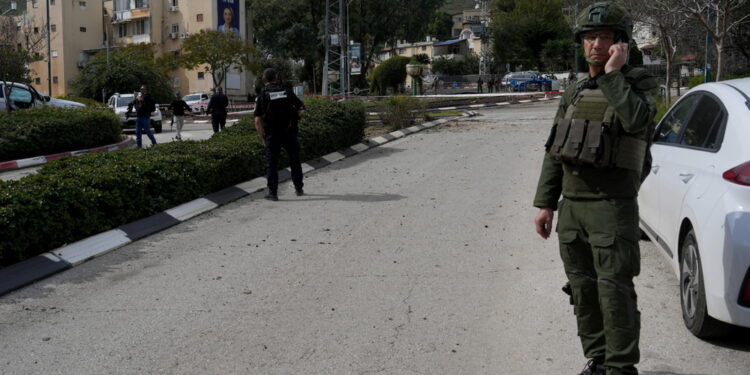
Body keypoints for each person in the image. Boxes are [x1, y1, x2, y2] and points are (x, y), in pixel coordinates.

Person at [532, 2, 658, 375]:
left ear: (622, 43)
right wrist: (545, 204)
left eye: (605, 37)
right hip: (573, 208)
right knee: (583, 293)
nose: (596, 45)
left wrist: (612, 74)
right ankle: (598, 361)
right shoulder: (573, 91)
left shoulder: (637, 83)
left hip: (612, 207)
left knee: (614, 293)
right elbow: (555, 150)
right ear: (581, 42)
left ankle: (621, 369)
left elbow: (636, 120)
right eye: (590, 37)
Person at [254, 68, 305, 201]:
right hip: (289, 132)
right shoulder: (287, 90)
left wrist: (262, 137)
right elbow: (301, 108)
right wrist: (294, 119)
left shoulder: (263, 95)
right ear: (276, 78)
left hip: (272, 134)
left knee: (272, 164)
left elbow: (257, 120)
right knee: (295, 160)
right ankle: (299, 188)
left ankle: (273, 193)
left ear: (264, 80)